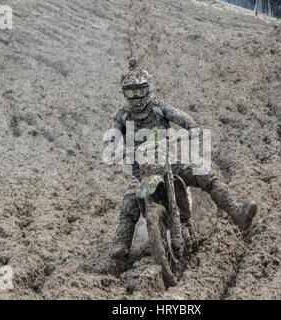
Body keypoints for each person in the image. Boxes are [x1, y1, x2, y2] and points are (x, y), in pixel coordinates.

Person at [104, 59, 258, 263]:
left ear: (148, 90)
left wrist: (192, 128)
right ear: (125, 93)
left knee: (205, 176)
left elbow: (181, 116)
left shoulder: (159, 108)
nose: (137, 97)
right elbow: (110, 139)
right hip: (141, 171)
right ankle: (121, 246)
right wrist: (114, 149)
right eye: (131, 92)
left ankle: (236, 211)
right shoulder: (121, 116)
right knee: (129, 205)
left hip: (170, 163)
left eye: (140, 91)